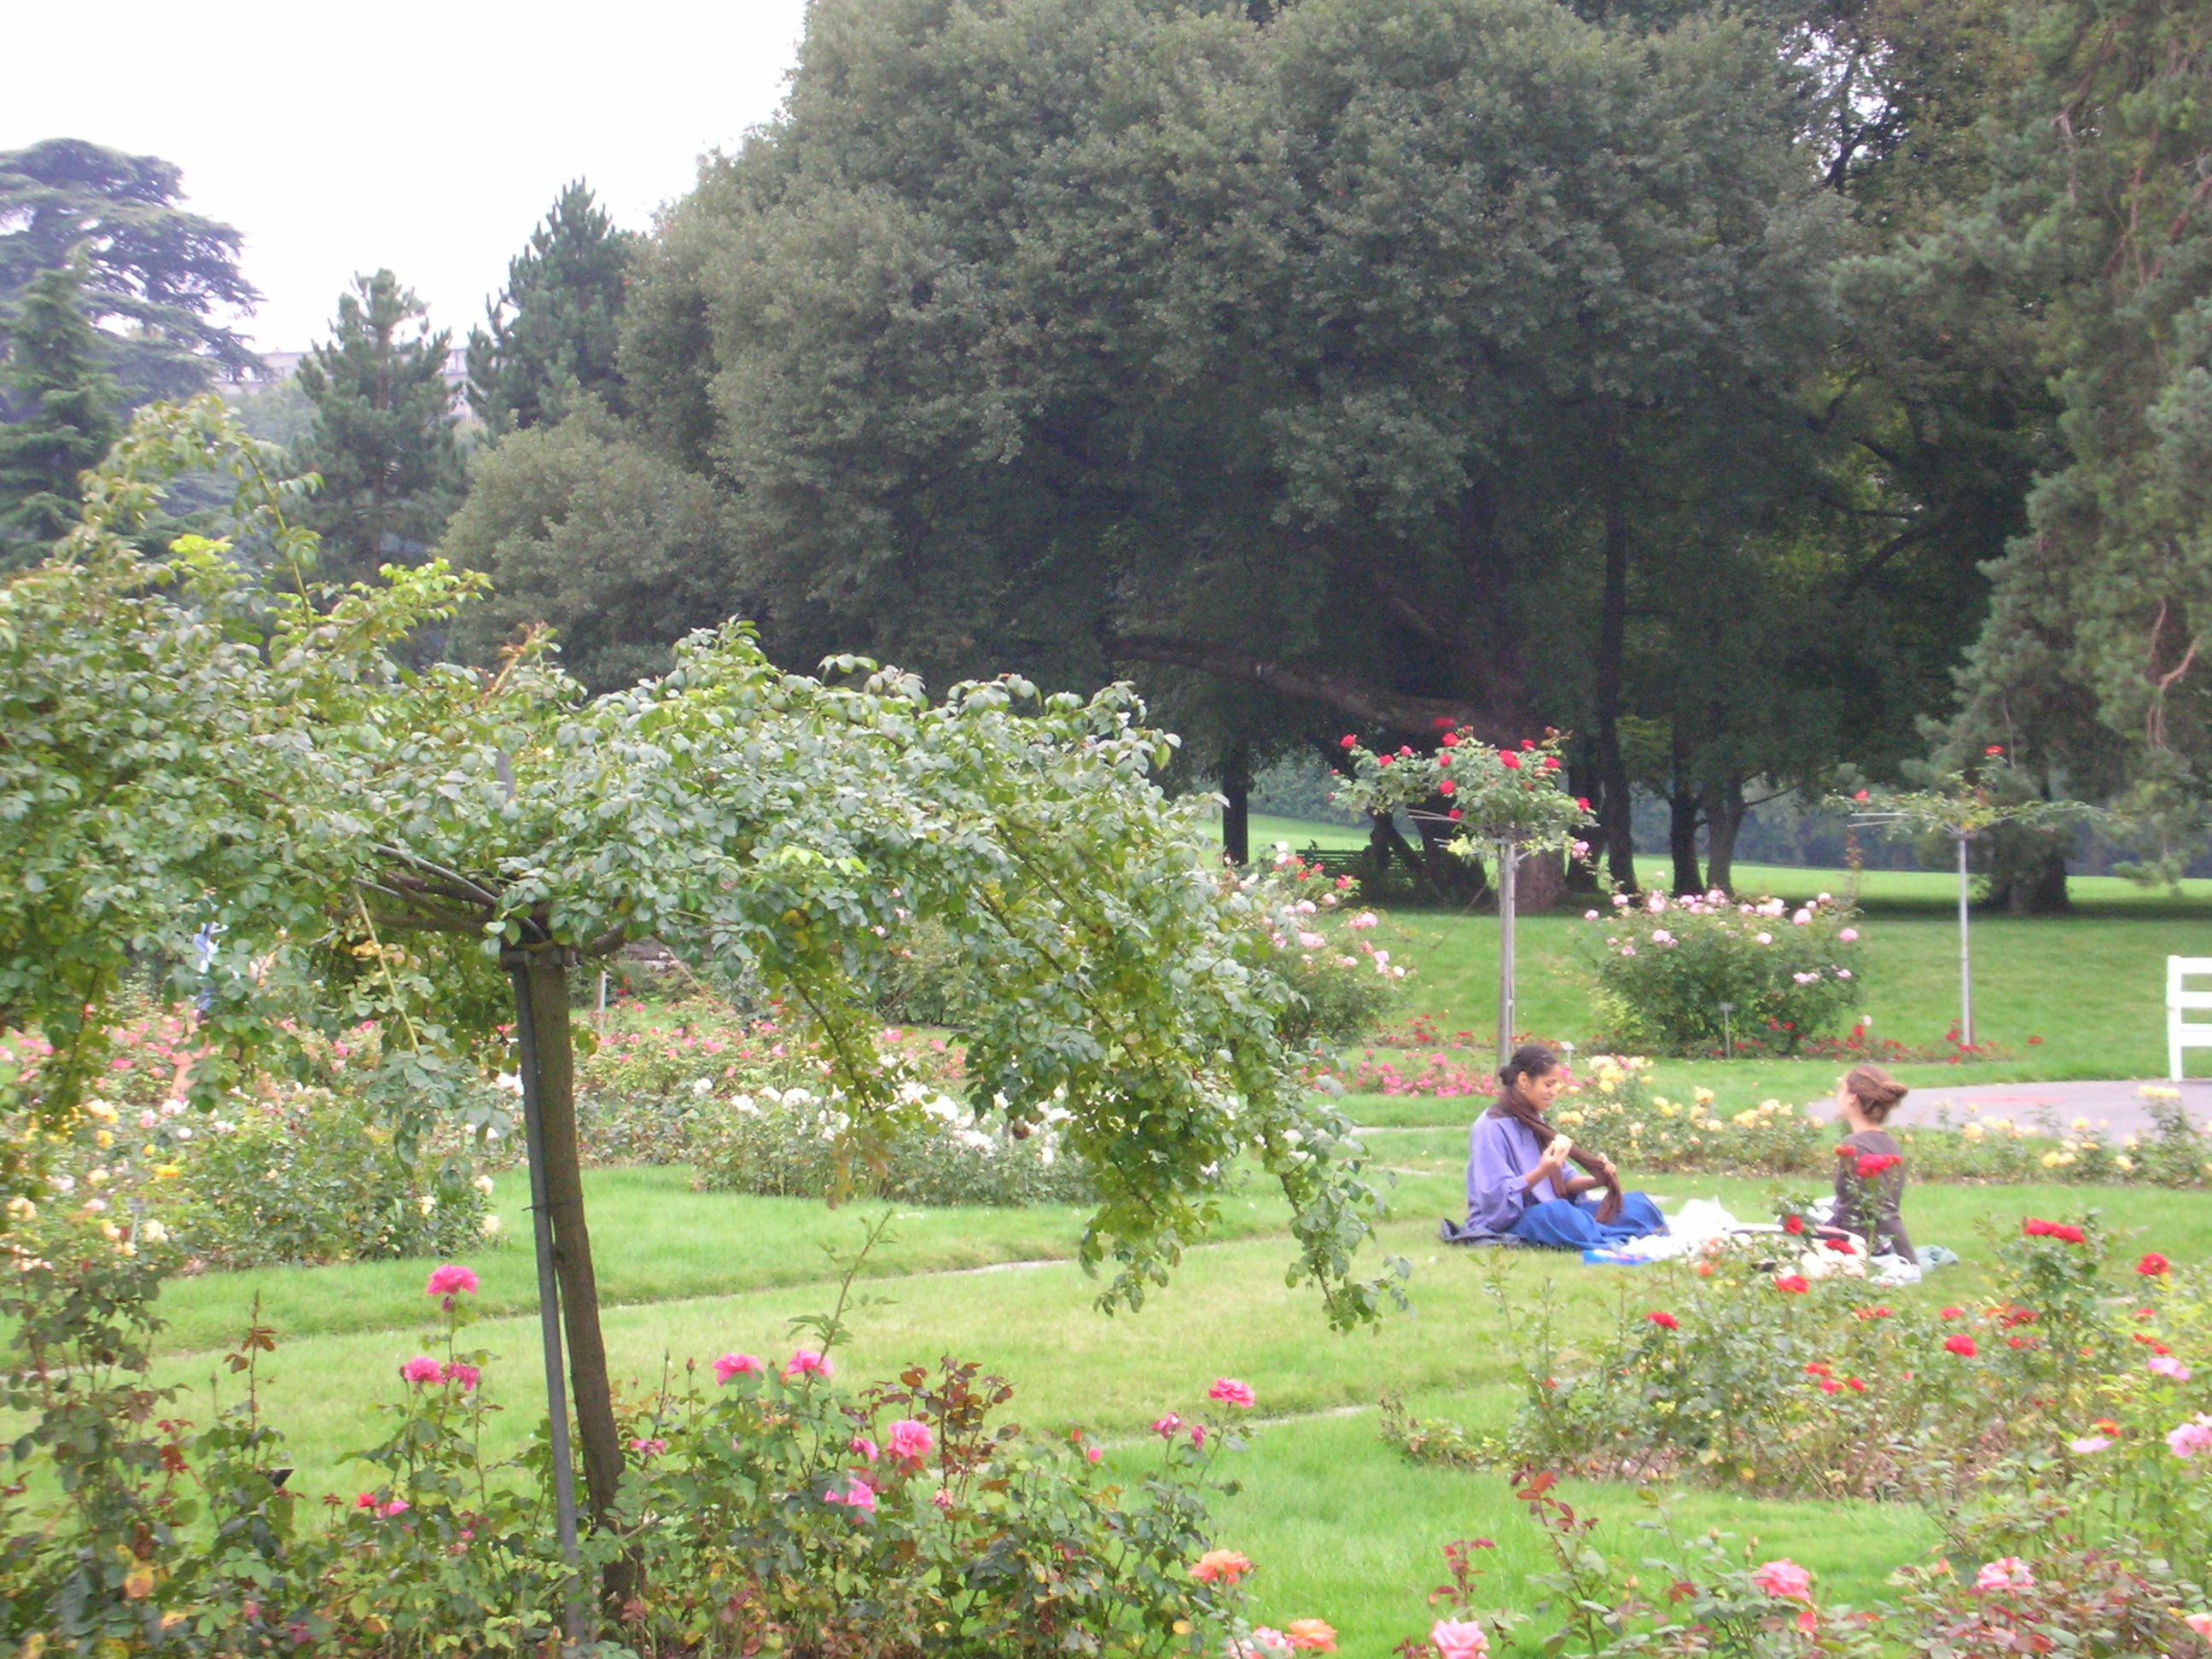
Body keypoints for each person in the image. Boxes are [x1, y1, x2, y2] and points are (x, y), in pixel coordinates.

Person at [1464, 1044, 1666, 1249]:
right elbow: (1496, 1200)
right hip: (1517, 1220)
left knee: (1636, 1205)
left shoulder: (1535, 1121)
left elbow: (1564, 1182)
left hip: (1557, 1211)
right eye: (1548, 1085)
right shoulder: (1490, 1127)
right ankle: (1605, 1233)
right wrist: (1541, 1172)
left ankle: (1598, 1231)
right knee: (1558, 1215)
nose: (1554, 1092)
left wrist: (1599, 1178)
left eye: (1556, 1086)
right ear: (1524, 1080)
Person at [1823, 1063, 1916, 1263]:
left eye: (1841, 1089)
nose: (1836, 1096)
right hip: (1872, 1236)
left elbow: (1884, 1210)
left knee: (1788, 1221)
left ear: (1852, 1098)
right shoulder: (1887, 1142)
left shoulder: (1855, 1147)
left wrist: (1909, 1260)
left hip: (1856, 1243)